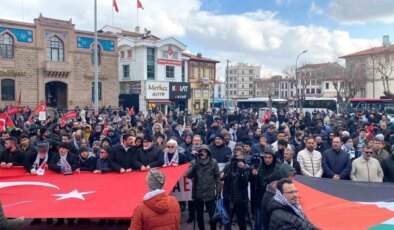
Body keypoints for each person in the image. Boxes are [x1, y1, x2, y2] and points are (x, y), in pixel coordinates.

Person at [186, 145, 220, 230]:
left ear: (208, 152)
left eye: (205, 151)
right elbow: (188, 176)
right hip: (198, 193)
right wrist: (194, 166)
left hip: (210, 193)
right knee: (199, 215)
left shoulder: (213, 162)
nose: (203, 153)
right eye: (202, 151)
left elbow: (217, 177)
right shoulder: (194, 162)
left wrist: (218, 191)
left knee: (213, 215)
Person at [220, 147, 250, 230]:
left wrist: (242, 169)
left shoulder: (246, 166)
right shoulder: (228, 165)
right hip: (228, 197)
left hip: (240, 199)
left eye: (238, 157)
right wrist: (222, 176)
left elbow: (246, 182)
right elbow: (221, 177)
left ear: (242, 156)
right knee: (227, 221)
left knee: (241, 221)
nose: (236, 159)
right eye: (235, 156)